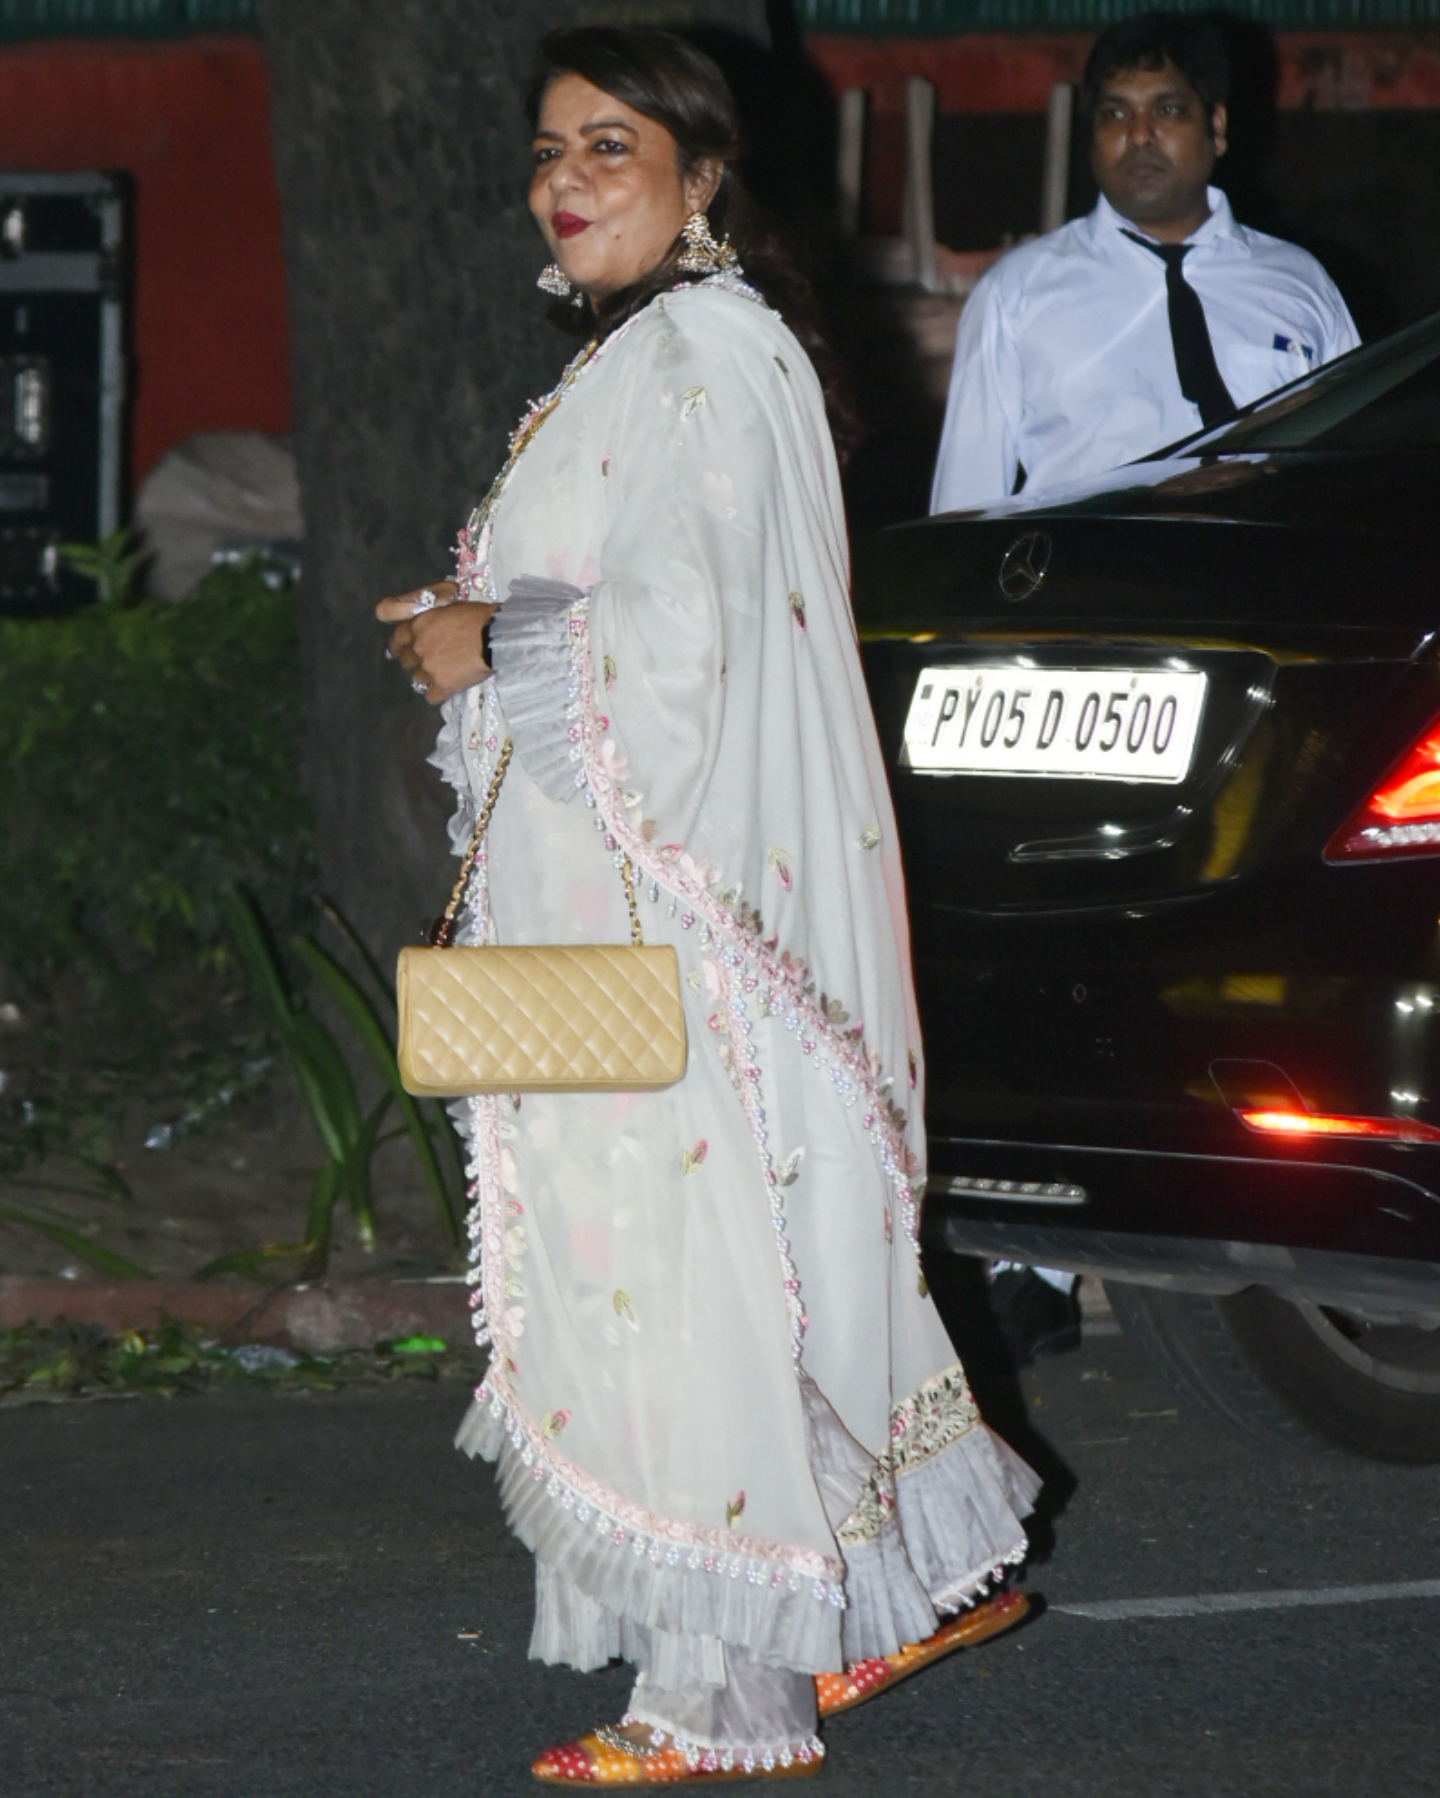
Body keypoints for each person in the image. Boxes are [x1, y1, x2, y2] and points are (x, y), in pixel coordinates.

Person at [376, 26, 1039, 1788]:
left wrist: (495, 637)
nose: (566, 178)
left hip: (681, 931)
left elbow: (691, 645)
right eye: (548, 150)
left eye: (610, 143)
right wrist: (470, 622)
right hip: (618, 907)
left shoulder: (709, 351)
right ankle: (879, 1587)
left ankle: (721, 1702)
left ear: (704, 174)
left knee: (691, 1287)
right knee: (729, 1281)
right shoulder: (640, 360)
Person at [930, 11, 1360, 513]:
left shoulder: (1300, 284)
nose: (1138, 135)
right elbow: (963, 507)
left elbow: (1355, 474)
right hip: (1092, 562)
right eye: (1115, 114)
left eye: (1167, 110)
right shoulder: (1017, 293)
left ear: (1217, 126)